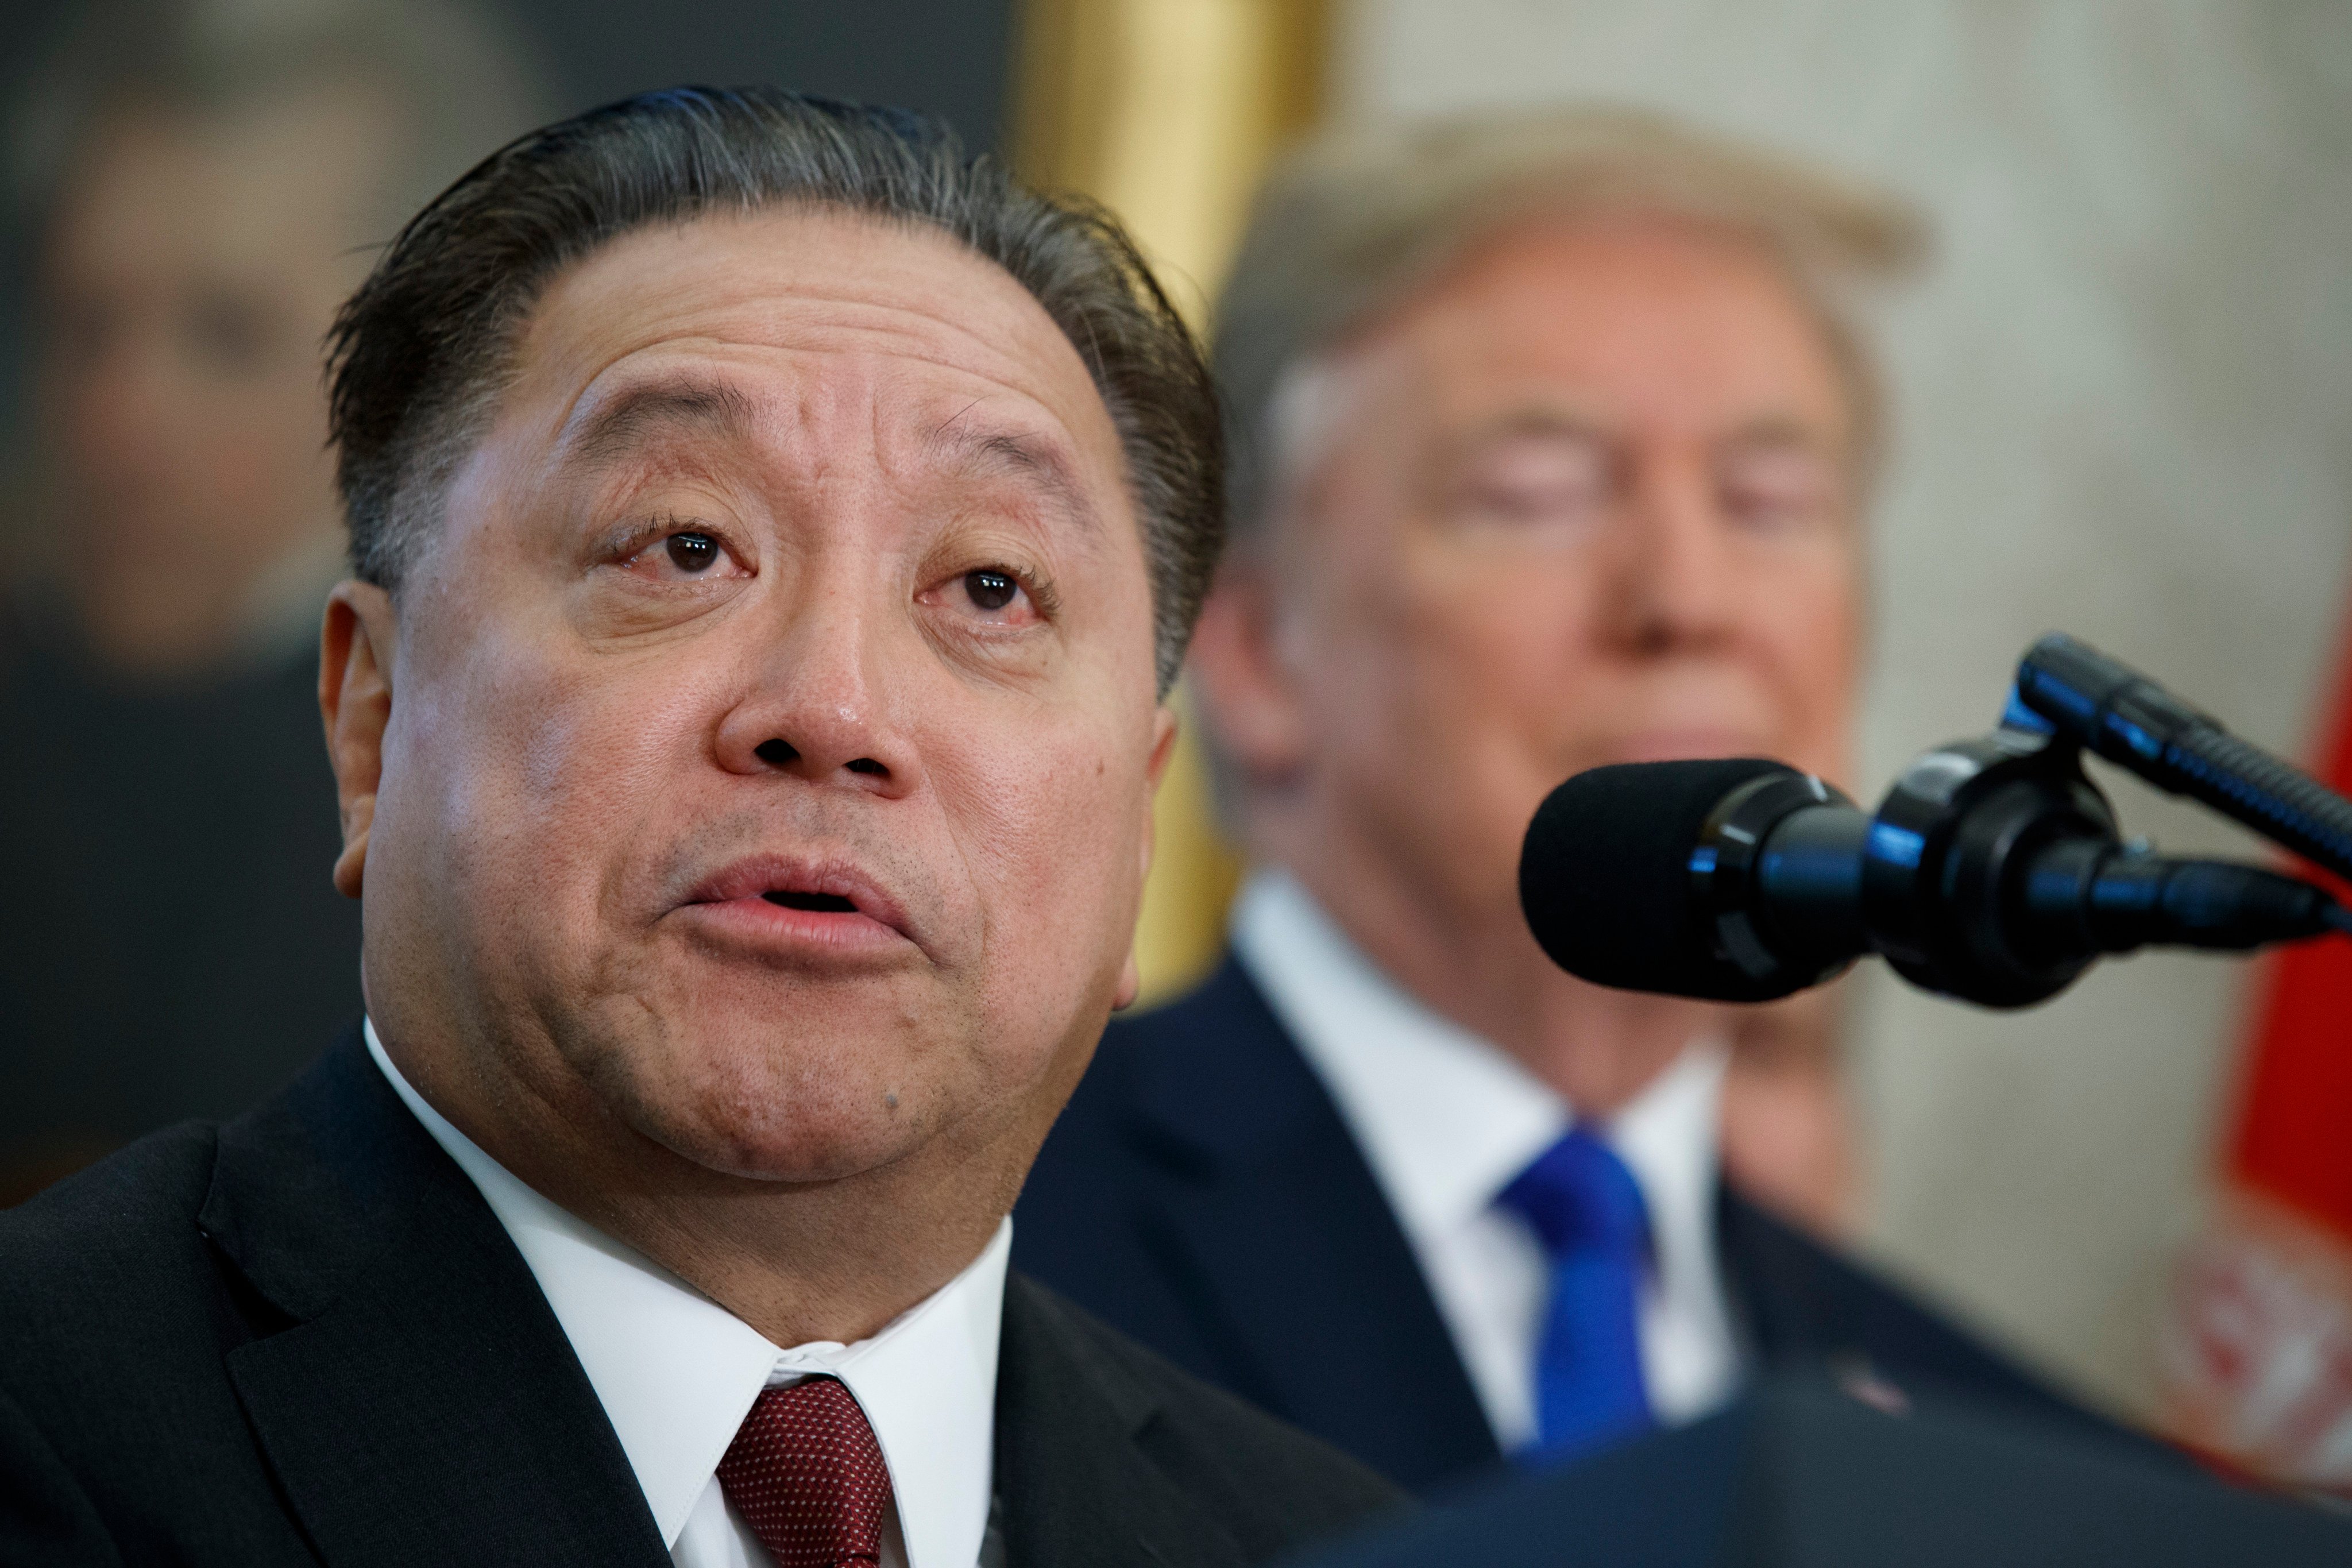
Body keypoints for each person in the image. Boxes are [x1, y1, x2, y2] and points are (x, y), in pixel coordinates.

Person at [0, 88, 1402, 1566]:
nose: (834, 708)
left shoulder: (1332, 1547)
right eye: (684, 546)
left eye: (988, 588)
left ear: (1138, 824)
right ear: (372, 719)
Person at [1014, 107, 2121, 1493]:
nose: (1686, 598)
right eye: (1536, 495)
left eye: (1767, 503)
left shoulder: (2011, 1465)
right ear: (1255, 651)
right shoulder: (959, 1259)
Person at [0, 0, 547, 1200]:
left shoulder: (486, 809)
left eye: (225, 335)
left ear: (427, 382)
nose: (117, 424)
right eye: (86, 328)